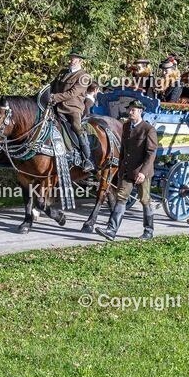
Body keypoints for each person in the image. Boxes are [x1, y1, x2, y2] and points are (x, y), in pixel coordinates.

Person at [100, 100, 158, 241]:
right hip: (127, 170)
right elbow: (124, 150)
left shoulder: (148, 129)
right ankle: (111, 231)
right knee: (121, 198)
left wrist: (143, 173)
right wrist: (120, 169)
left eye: (134, 110)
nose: (130, 112)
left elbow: (151, 153)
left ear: (140, 112)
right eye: (130, 110)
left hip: (142, 172)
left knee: (145, 200)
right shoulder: (126, 127)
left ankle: (148, 231)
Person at [49, 47, 94, 170]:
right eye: (71, 57)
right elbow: (51, 86)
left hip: (72, 108)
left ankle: (87, 159)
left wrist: (54, 97)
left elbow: (72, 93)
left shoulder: (84, 76)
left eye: (74, 58)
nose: (71, 60)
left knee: (76, 127)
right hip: (55, 106)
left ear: (80, 60)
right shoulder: (63, 72)